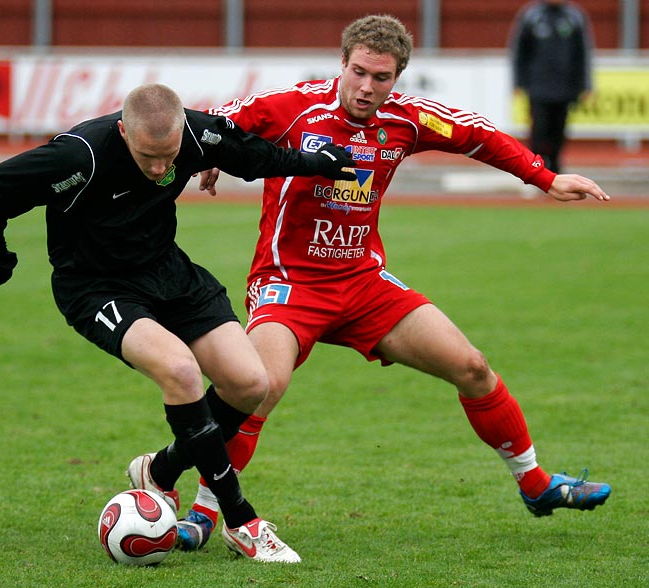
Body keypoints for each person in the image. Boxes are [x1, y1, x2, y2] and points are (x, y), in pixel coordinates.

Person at [174, 14, 612, 553]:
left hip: (363, 282)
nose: (366, 87)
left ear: (397, 77)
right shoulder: (295, 106)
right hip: (290, 284)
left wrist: (545, 178)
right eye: (358, 72)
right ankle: (204, 512)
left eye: (381, 77)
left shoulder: (407, 119)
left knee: (472, 367)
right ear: (343, 64)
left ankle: (537, 485)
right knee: (259, 387)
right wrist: (213, 153)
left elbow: (479, 135)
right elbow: (211, 120)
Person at [0, 83, 356, 563]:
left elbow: (255, 157)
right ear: (123, 130)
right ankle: (241, 520)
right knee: (181, 371)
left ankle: (161, 471)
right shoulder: (78, 158)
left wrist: (319, 163)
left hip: (169, 272)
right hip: (96, 286)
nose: (157, 168)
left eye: (167, 156)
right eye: (147, 156)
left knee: (250, 382)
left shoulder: (195, 135)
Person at [509, 0, 595, 173]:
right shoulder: (532, 16)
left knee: (559, 131)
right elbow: (519, 52)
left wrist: (585, 85)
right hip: (538, 87)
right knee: (539, 130)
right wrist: (518, 82)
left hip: (565, 87)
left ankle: (555, 169)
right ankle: (534, 171)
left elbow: (583, 54)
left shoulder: (574, 16)